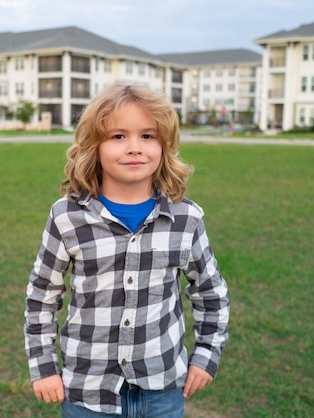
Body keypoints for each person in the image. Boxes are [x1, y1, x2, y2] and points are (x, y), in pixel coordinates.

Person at [24, 84, 230, 417]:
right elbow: (41, 297)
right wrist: (44, 366)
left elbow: (210, 292)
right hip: (87, 393)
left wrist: (207, 354)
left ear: (164, 145)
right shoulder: (67, 217)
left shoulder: (186, 218)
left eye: (148, 136)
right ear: (95, 146)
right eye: (118, 136)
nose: (134, 148)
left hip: (162, 391)